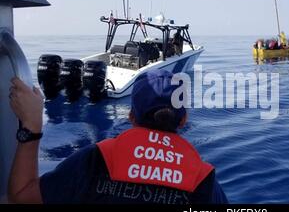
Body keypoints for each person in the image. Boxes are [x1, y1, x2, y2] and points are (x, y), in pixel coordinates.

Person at [8, 70, 228, 204]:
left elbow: (21, 195)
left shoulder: (94, 160)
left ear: (131, 116)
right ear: (183, 119)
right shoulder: (203, 179)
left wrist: (32, 125)